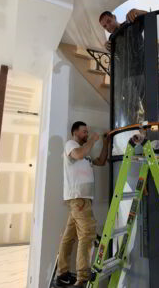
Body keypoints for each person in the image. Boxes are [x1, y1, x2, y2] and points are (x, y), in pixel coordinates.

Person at [56, 121, 109, 288]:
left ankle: (63, 273)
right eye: (84, 131)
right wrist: (92, 140)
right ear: (75, 132)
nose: (87, 133)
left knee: (69, 237)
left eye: (87, 132)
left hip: (81, 199)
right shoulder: (71, 145)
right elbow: (78, 154)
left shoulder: (85, 153)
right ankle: (83, 279)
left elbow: (100, 161)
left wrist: (105, 143)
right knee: (87, 235)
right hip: (79, 198)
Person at [99, 9, 148, 128]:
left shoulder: (131, 24)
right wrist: (106, 45)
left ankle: (152, 131)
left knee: (148, 104)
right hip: (126, 78)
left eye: (109, 22)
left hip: (142, 72)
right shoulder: (112, 38)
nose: (108, 27)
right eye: (105, 26)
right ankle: (134, 134)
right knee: (131, 110)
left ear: (114, 17)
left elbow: (149, 16)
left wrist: (136, 11)